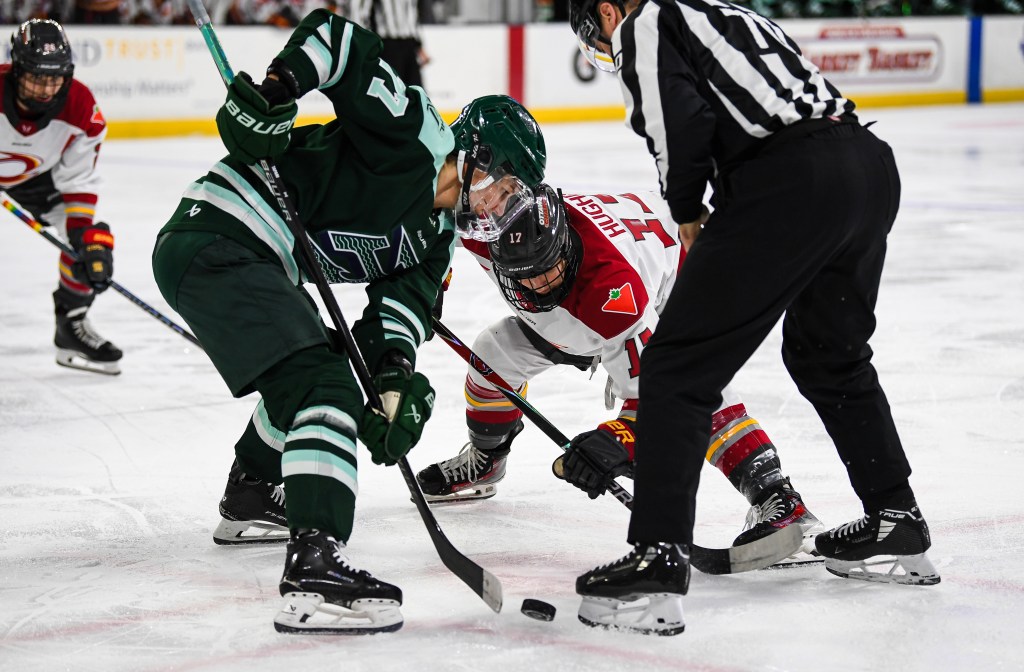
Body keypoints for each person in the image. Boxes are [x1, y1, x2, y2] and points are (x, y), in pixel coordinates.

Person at [151, 9, 542, 634]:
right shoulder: (413, 134)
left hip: (251, 257)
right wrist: (278, 91)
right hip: (219, 233)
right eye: (506, 187)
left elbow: (399, 314)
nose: (503, 208)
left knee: (333, 366)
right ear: (480, 155)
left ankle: (254, 489)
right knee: (323, 386)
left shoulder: (436, 241)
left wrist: (392, 382)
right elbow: (338, 40)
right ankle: (315, 566)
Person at [565, 0, 941, 634]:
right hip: (868, 167)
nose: (607, 40)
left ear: (608, 8)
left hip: (794, 180)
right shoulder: (724, 10)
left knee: (677, 366)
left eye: (597, 27)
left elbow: (675, 121)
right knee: (830, 354)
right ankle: (896, 518)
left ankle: (657, 559)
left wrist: (687, 210)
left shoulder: (643, 21)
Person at [417, 182, 822, 558]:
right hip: (599, 286)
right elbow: (436, 223)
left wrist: (616, 440)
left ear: (565, 247)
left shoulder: (613, 300)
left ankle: (779, 499)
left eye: (546, 268)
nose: (539, 284)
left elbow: (659, 404)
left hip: (682, 282)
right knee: (495, 355)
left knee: (694, 388)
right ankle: (488, 460)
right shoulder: (488, 229)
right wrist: (427, 281)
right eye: (525, 276)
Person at [2, 19, 120, 375]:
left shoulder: (81, 106)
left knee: (90, 246)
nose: (45, 88)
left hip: (39, 179)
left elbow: (79, 180)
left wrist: (82, 235)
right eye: (36, 76)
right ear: (17, 69)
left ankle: (71, 324)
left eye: (54, 78)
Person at [346, 0, 430, 88]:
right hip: (387, 43)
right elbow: (361, 14)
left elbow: (413, 16)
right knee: (390, 90)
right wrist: (366, 43)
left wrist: (419, 46)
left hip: (409, 44)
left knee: (415, 91)